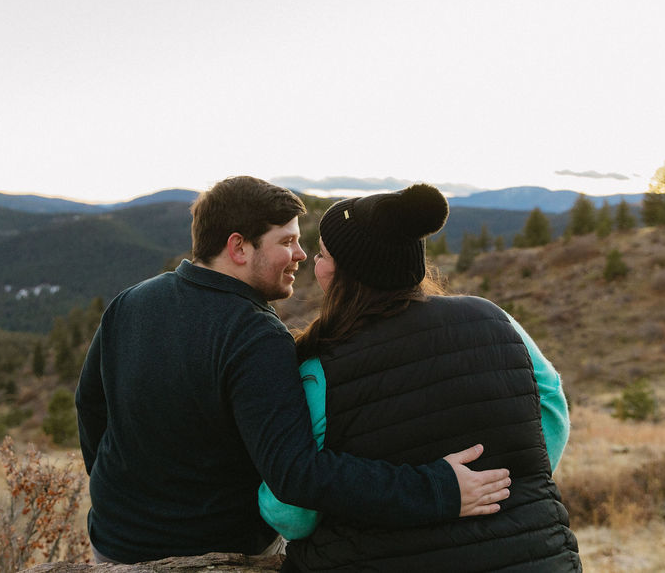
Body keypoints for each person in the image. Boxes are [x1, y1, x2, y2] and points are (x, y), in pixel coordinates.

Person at [75, 176, 514, 565]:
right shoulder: (254, 336)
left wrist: (119, 497)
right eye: (286, 242)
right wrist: (437, 489)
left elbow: (90, 405)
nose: (301, 255)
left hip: (112, 543)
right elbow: (297, 475)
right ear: (238, 247)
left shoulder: (132, 300)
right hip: (213, 551)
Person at [259, 183, 581, 572]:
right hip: (538, 557)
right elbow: (551, 408)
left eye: (324, 254)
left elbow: (292, 512)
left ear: (349, 273)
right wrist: (503, 486)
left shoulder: (319, 367)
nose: (314, 260)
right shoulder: (494, 319)